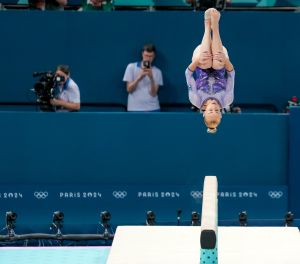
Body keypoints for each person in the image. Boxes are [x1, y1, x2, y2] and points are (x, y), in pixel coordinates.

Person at [185, 8, 235, 133]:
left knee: (205, 62)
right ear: (221, 113)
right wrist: (225, 60)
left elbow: (188, 74)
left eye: (210, 111)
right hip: (220, 56)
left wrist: (196, 61)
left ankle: (207, 26)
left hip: (201, 56)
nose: (213, 107)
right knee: (218, 65)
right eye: (216, 111)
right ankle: (215, 27)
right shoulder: (227, 100)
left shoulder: (196, 100)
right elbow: (231, 74)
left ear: (203, 112)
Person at [123, 44, 163, 112]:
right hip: (134, 108)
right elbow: (129, 89)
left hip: (153, 108)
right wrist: (139, 77)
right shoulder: (131, 67)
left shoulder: (157, 72)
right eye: (146, 55)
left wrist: (151, 78)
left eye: (151, 56)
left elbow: (153, 93)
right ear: (142, 54)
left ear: (154, 56)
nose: (148, 58)